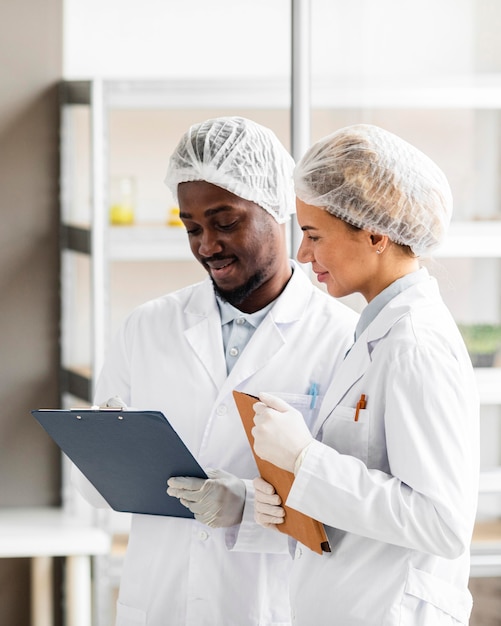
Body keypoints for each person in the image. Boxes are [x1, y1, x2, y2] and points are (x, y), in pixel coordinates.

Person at [73, 116, 358, 626]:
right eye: (192, 227)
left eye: (225, 222)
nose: (206, 246)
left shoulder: (342, 340)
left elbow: (354, 505)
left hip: (270, 608)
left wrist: (247, 503)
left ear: (277, 209)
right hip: (159, 603)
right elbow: (96, 491)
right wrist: (107, 451)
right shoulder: (147, 327)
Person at [251, 123, 480, 626]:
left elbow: (442, 523)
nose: (303, 255)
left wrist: (306, 461)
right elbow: (371, 482)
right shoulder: (376, 330)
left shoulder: (414, 343)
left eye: (313, 235)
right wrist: (294, 498)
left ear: (376, 234)